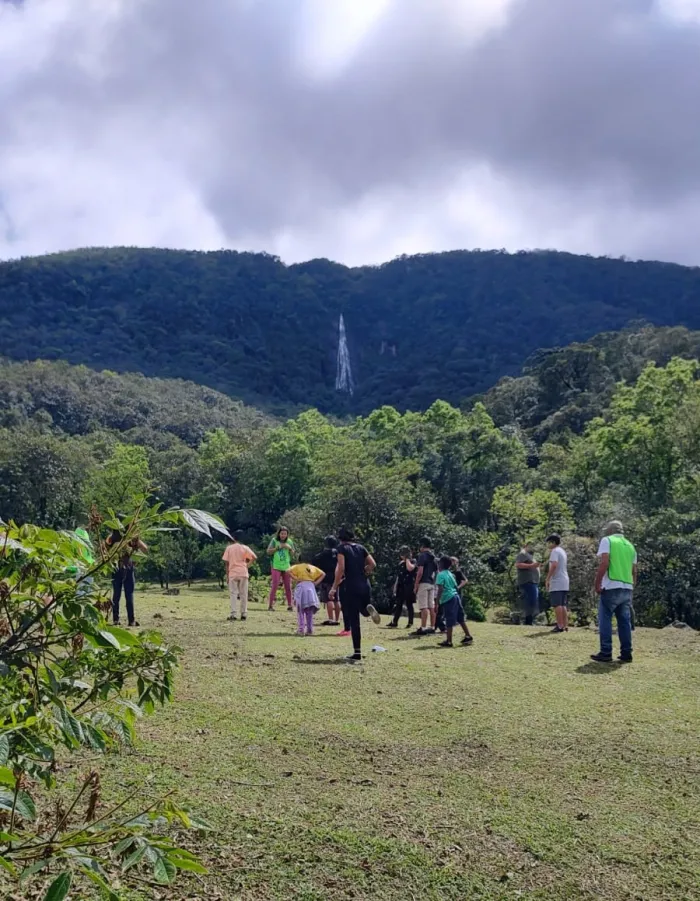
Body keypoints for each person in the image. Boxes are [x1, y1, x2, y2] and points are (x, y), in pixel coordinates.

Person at [329, 526, 380, 662]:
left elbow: (341, 568)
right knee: (363, 610)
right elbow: (373, 563)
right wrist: (365, 570)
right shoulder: (361, 547)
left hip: (350, 585)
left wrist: (334, 587)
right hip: (364, 583)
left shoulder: (341, 549)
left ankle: (357, 652)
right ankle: (368, 611)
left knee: (354, 620)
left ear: (340, 538)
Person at [591, 521, 637, 664]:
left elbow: (605, 562)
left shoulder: (608, 540)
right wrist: (631, 586)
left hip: (611, 585)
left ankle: (606, 652)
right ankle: (626, 653)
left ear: (610, 530)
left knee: (605, 619)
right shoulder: (630, 546)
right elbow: (634, 570)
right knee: (624, 622)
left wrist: (597, 583)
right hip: (626, 587)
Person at [106, 529, 148, 627]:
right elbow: (145, 549)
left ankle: (116, 620)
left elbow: (105, 550)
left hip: (116, 568)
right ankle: (131, 620)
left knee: (116, 595)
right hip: (127, 567)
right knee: (129, 595)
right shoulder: (131, 538)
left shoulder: (111, 538)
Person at [435, 556, 473, 648]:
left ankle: (449, 641)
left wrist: (437, 602)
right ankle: (468, 636)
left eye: (439, 563)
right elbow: (456, 587)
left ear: (441, 564)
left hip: (448, 598)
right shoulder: (451, 574)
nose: (438, 564)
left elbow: (440, 589)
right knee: (460, 617)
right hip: (456, 596)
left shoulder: (440, 575)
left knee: (449, 619)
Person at [222, 530, 257, 621]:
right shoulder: (245, 547)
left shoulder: (229, 548)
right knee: (243, 594)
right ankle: (244, 613)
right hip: (243, 572)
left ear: (234, 538)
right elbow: (254, 557)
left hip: (233, 573)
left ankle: (233, 614)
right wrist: (247, 565)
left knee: (233, 593)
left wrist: (227, 575)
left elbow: (226, 563)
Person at [312, 536, 341, 626]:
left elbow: (314, 562)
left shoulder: (322, 554)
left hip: (325, 579)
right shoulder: (338, 554)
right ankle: (337, 619)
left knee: (329, 599)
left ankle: (330, 619)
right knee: (336, 599)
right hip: (336, 578)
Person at [412, 537, 438, 636]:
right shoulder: (434, 557)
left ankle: (423, 628)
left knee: (423, 607)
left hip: (423, 582)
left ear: (422, 545)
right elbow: (436, 572)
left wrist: (416, 584)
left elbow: (420, 571)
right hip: (431, 583)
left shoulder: (422, 556)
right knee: (431, 607)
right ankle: (432, 627)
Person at [545, 534, 569, 633]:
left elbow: (554, 565)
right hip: (565, 580)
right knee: (563, 604)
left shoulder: (554, 551)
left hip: (557, 580)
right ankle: (565, 625)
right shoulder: (562, 551)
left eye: (549, 543)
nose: (548, 545)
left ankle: (559, 625)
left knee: (557, 604)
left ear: (553, 542)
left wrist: (548, 578)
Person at [267, 526, 295, 611]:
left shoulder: (289, 541)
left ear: (287, 535)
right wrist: (277, 548)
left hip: (286, 566)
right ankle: (270, 605)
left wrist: (289, 548)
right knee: (275, 585)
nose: (283, 535)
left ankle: (290, 605)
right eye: (282, 533)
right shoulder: (274, 540)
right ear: (279, 533)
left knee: (288, 586)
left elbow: (293, 553)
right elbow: (268, 551)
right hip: (276, 566)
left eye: (285, 534)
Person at [387, 546, 415, 629]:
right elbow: (399, 576)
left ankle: (410, 622)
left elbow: (410, 568)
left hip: (409, 586)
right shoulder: (400, 563)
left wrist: (407, 559)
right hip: (401, 586)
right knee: (398, 604)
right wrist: (395, 586)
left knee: (409, 604)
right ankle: (395, 622)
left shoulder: (413, 561)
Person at [515, 543, 540, 625]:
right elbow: (518, 565)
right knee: (531, 600)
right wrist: (532, 565)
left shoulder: (530, 556)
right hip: (527, 581)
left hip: (533, 581)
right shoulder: (522, 554)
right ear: (525, 546)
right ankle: (528, 621)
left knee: (532, 601)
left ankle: (529, 620)